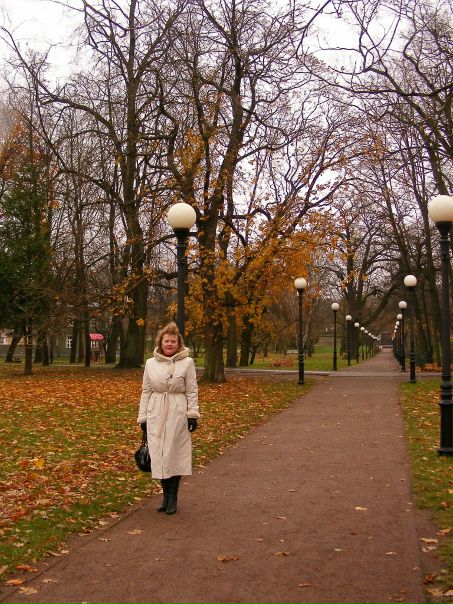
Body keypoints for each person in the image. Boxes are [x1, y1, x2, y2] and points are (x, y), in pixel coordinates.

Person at [137, 322, 199, 515]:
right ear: (160, 343)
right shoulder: (150, 363)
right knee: (159, 455)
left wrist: (192, 414)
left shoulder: (187, 363)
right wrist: (143, 417)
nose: (169, 344)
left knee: (174, 453)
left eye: (173, 341)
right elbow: (146, 391)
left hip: (177, 411)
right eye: (166, 341)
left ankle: (173, 497)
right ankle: (165, 495)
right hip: (156, 411)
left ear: (178, 344)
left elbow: (192, 390)